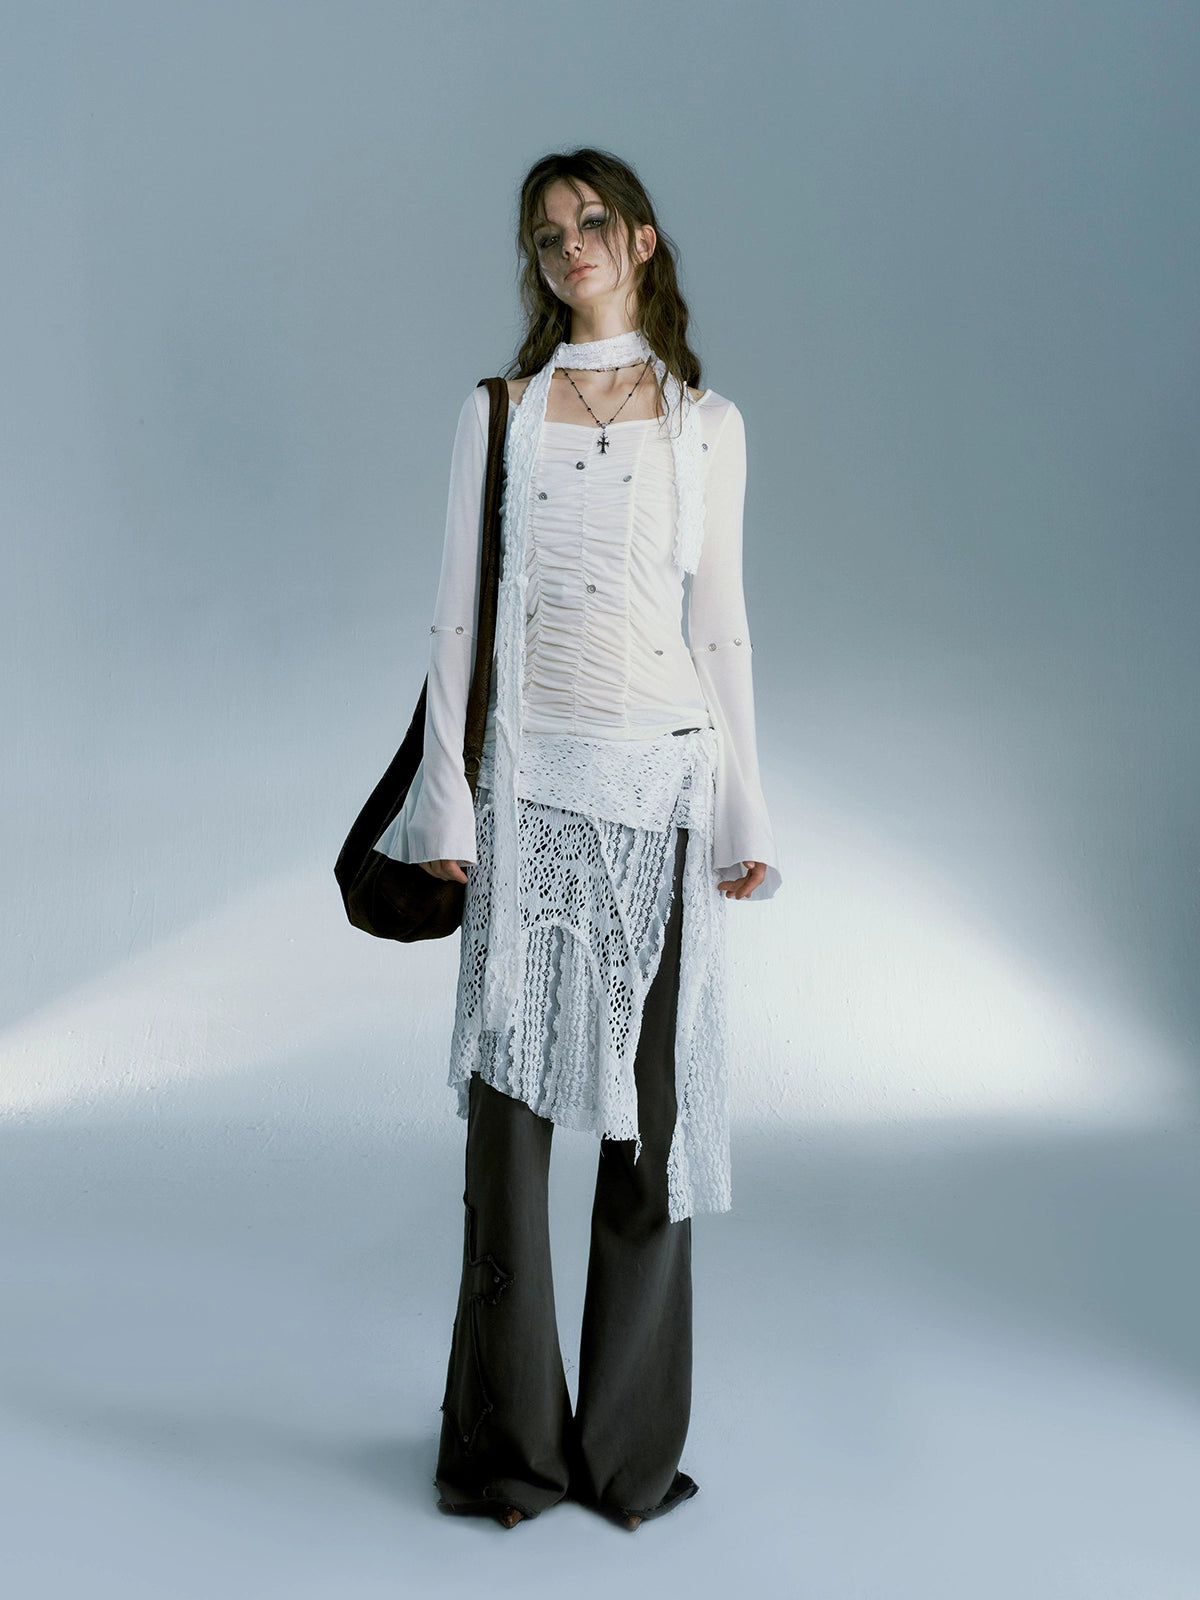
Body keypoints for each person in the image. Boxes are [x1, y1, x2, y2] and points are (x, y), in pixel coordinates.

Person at [374, 147, 781, 1531]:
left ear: (642, 241)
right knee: (508, 1135)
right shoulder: (498, 415)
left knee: (648, 1130)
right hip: (529, 792)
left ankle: (627, 1457)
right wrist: (446, 803)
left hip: (662, 793)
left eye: (592, 221)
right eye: (547, 234)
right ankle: (508, 1452)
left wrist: (745, 809)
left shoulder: (708, 426)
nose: (571, 246)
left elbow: (720, 624)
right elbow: (454, 617)